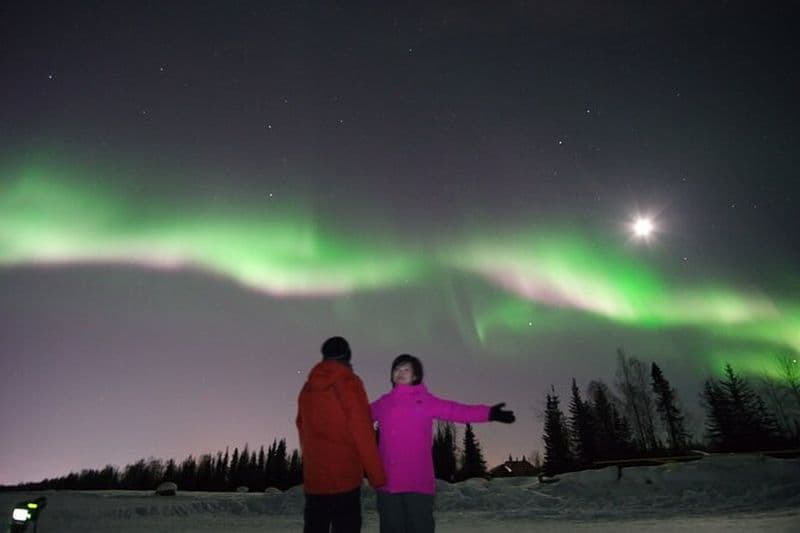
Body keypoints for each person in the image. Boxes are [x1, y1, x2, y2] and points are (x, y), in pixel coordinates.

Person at [370, 354, 515, 533]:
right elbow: (358, 417)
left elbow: (457, 411)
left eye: (406, 369)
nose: (400, 372)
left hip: (418, 483)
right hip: (388, 484)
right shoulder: (383, 403)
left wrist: (489, 413)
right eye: (397, 369)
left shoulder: (426, 401)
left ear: (415, 376)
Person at [296, 336, 387, 533]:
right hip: (345, 481)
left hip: (315, 481)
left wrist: (313, 460)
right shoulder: (349, 383)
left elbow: (301, 426)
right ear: (347, 356)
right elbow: (362, 431)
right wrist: (376, 475)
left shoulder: (307, 388)